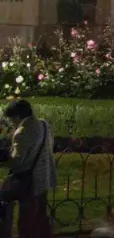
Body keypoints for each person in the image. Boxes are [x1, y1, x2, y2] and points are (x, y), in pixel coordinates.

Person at [2, 101, 54, 238]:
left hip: (29, 179)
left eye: (11, 119)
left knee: (25, 217)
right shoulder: (44, 124)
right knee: (39, 214)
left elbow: (17, 160)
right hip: (44, 175)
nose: (11, 122)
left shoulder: (22, 132)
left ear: (17, 116)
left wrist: (4, 159)